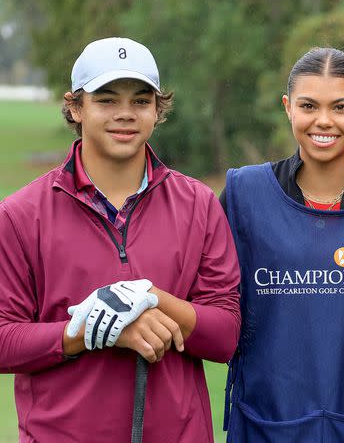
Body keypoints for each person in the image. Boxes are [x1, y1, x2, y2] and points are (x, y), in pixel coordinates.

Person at [0, 37, 241, 442]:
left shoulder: (199, 203)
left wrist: (149, 296)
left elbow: (225, 336)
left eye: (141, 101)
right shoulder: (21, 214)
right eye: (107, 100)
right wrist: (88, 332)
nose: (125, 115)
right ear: (76, 107)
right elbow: (5, 338)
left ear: (157, 110)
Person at [221, 47, 344, 442]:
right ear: (287, 107)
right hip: (267, 426)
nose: (324, 121)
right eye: (309, 105)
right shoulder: (244, 193)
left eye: (341, 107)